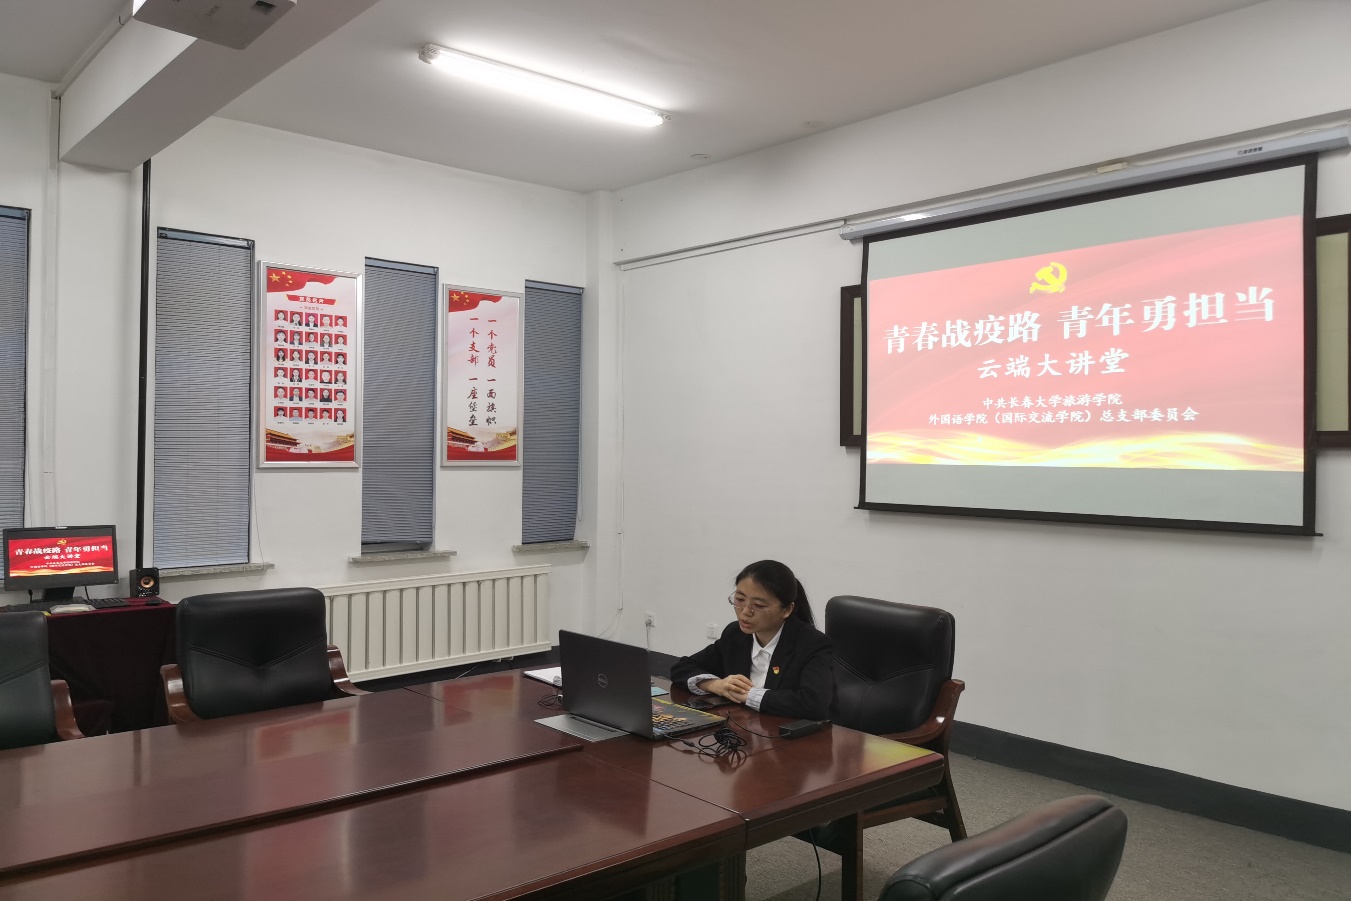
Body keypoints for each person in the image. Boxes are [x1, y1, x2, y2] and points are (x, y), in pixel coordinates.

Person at [670, 560, 833, 720]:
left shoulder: (812, 643)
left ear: (787, 610)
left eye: (759, 605)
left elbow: (814, 704)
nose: (745, 612)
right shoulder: (735, 634)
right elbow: (682, 668)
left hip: (787, 733)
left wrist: (747, 695)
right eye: (740, 600)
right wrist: (714, 685)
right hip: (741, 727)